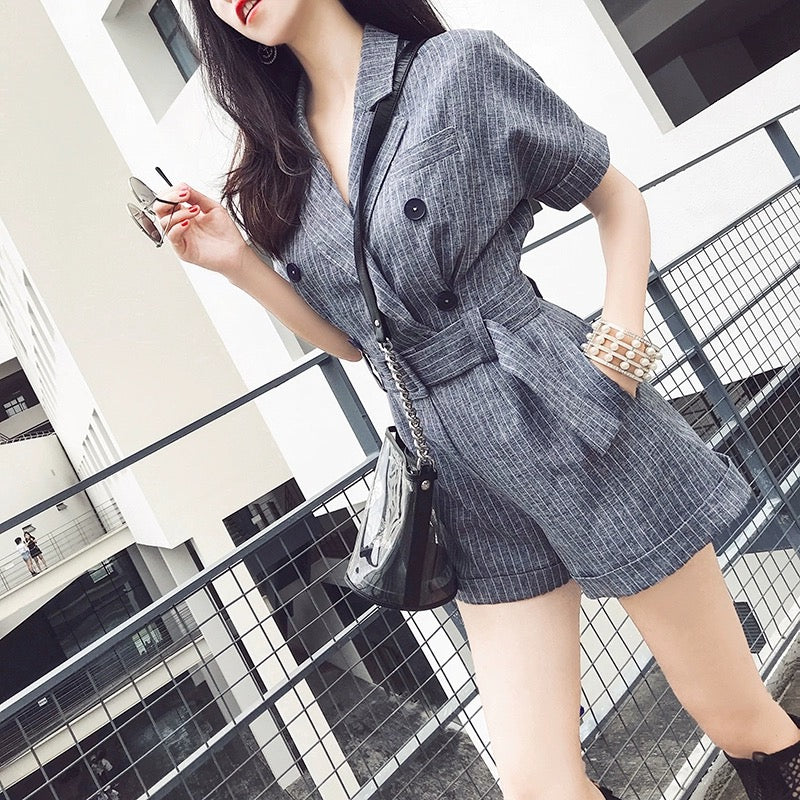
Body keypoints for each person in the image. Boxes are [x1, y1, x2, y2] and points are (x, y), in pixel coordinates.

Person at [143, 1, 800, 797]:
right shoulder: (280, 166)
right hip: (450, 471)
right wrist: (237, 263)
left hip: (561, 410)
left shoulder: (458, 71)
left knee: (738, 721)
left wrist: (622, 344)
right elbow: (354, 343)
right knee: (536, 782)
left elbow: (615, 196)